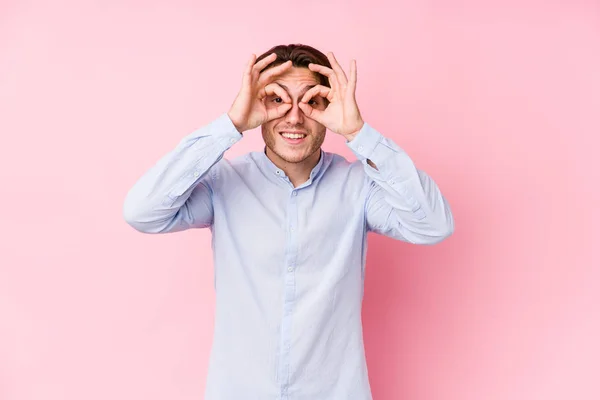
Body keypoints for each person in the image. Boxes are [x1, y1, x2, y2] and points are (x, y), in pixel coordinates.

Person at [123, 43, 454, 400]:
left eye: (312, 101)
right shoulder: (224, 182)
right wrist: (230, 124)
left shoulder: (359, 187)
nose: (294, 117)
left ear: (331, 108)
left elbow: (434, 225)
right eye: (277, 100)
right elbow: (142, 211)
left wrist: (360, 134)